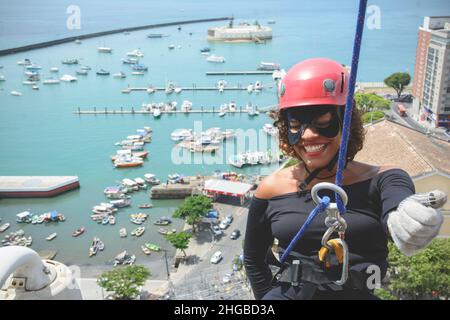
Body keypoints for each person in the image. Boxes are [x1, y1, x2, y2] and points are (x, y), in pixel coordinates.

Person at [243, 58, 444, 300]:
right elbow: (254, 258)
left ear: (346, 124)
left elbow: (397, 199)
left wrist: (405, 216)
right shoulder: (272, 188)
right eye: (295, 124)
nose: (307, 135)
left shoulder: (382, 179)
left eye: (323, 123)